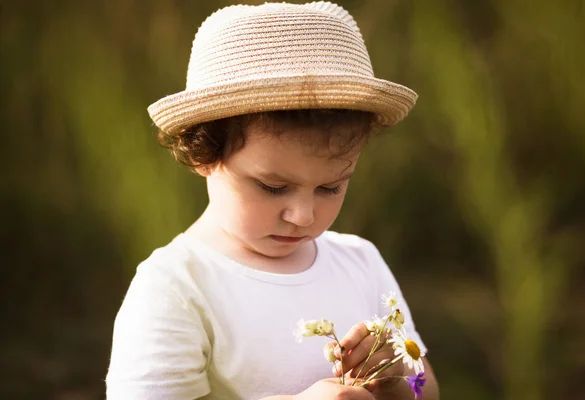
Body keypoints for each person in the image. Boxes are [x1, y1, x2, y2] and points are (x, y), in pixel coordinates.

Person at [105, 2, 439, 399]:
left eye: (331, 187)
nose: (303, 216)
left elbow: (427, 393)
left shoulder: (361, 262)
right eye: (273, 187)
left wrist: (394, 372)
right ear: (204, 155)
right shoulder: (177, 286)